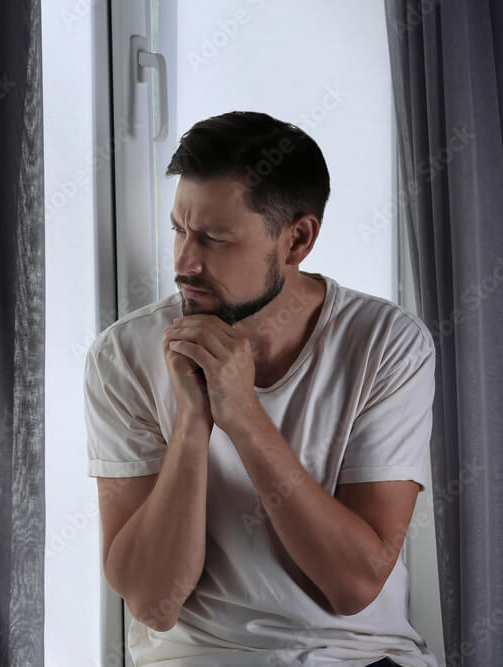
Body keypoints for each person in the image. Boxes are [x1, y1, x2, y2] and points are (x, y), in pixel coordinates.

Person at [84, 111, 438, 666]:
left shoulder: (387, 345)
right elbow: (154, 604)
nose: (183, 262)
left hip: (358, 657)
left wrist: (244, 415)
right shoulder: (122, 355)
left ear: (297, 239)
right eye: (179, 229)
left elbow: (354, 586)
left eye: (215, 239)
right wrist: (192, 423)